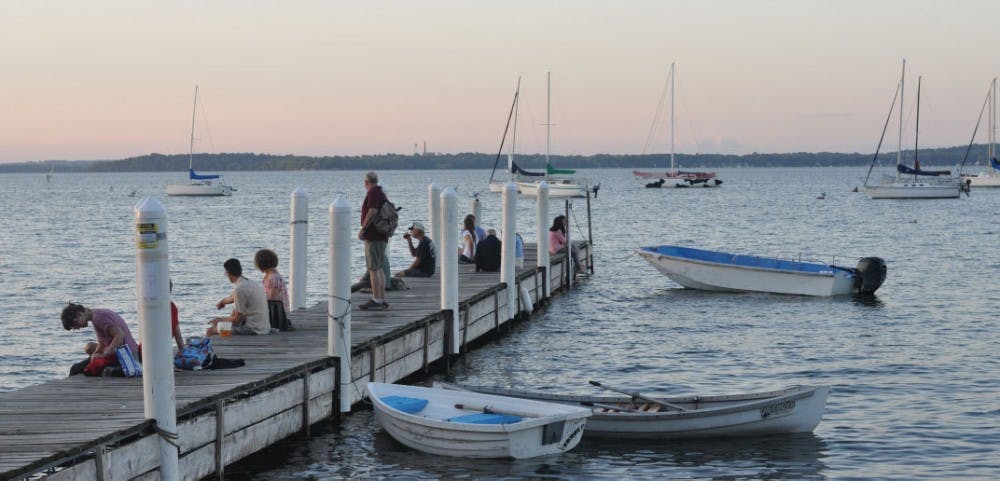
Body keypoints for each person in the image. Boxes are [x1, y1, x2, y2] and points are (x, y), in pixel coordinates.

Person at [62, 303, 140, 377]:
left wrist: (105, 354)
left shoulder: (99, 318)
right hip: (123, 351)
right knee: (90, 349)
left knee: (75, 369)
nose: (77, 328)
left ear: (79, 314)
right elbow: (102, 343)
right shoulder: (96, 316)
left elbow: (120, 335)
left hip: (126, 355)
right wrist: (95, 354)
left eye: (75, 324)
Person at [207, 258, 270, 336]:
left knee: (211, 330)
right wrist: (222, 302)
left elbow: (238, 319)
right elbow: (232, 298)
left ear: (228, 273)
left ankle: (206, 347)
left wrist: (220, 320)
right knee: (230, 315)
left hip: (254, 329)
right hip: (264, 327)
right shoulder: (250, 283)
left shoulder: (239, 289)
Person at [359, 171, 390, 310]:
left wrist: (363, 229)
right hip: (381, 236)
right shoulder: (381, 192)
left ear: (366, 182)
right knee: (379, 268)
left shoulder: (372, 193)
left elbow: (372, 211)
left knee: (373, 268)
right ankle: (381, 298)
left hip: (374, 236)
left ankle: (376, 299)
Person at [254, 248, 289, 314]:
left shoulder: (273, 278)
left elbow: (272, 299)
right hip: (273, 311)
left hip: (276, 314)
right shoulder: (270, 276)